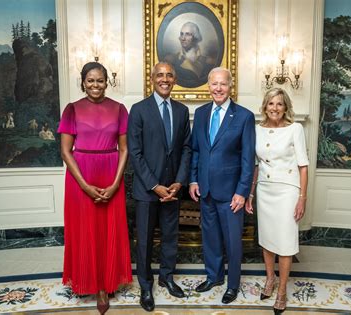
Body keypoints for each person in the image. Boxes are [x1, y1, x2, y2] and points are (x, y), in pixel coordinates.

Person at [58, 62, 132, 315]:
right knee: (85, 229)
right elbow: (66, 151)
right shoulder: (72, 109)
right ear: (82, 82)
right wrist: (85, 186)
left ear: (106, 82)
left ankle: (105, 284)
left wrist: (115, 183)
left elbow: (124, 149)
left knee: (108, 229)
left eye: (100, 80)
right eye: (90, 80)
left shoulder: (119, 109)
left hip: (111, 173)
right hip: (81, 176)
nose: (95, 85)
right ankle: (86, 279)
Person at [127, 62, 191, 312]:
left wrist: (179, 181)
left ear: (175, 79)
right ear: (152, 78)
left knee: (170, 237)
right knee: (143, 240)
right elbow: (135, 152)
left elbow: (186, 148)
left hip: (173, 189)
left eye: (169, 75)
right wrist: (154, 185)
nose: (165, 79)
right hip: (147, 190)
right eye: (160, 75)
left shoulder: (182, 111)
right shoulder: (139, 110)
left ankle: (167, 277)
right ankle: (145, 285)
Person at [189, 67, 255, 304]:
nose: (218, 88)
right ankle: (214, 276)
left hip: (231, 193)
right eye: (214, 84)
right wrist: (194, 179)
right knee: (211, 238)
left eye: (223, 84)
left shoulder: (244, 116)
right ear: (208, 85)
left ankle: (233, 284)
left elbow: (248, 159)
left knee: (232, 241)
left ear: (231, 86)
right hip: (205, 189)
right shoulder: (201, 113)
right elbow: (196, 149)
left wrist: (242, 191)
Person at [245, 88, 309, 314]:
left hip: (288, 191)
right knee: (267, 239)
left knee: (285, 242)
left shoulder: (295, 129)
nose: (275, 108)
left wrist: (302, 198)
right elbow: (255, 165)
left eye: (279, 104)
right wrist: (250, 194)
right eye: (271, 104)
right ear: (265, 106)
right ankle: (269, 279)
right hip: (264, 190)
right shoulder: (256, 130)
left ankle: (281, 291)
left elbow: (303, 165)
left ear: (286, 107)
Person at [163, 21, 216, 88]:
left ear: (195, 37)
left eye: (187, 34)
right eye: (181, 34)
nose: (183, 38)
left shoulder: (208, 62)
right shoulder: (171, 60)